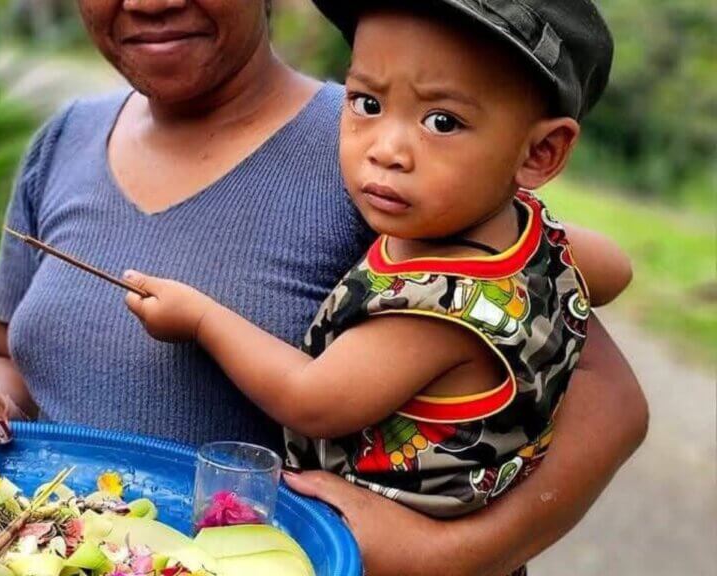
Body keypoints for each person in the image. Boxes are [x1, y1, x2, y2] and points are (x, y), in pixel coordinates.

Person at [0, 1, 648, 573]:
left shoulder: (388, 162)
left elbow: (608, 399)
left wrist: (447, 552)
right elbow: (5, 353)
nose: (149, 2)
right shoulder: (62, 139)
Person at [124, 0, 620, 530]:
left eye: (442, 122)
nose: (386, 150)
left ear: (540, 153)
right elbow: (616, 270)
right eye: (365, 103)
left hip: (381, 544)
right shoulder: (529, 234)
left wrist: (201, 319)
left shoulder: (436, 310)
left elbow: (309, 398)